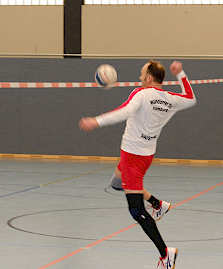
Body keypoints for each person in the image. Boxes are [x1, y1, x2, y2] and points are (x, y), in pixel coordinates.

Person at [79, 60, 196, 268]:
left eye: (142, 75)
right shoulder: (170, 99)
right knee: (116, 183)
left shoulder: (140, 94)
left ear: (149, 78)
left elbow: (125, 111)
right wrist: (181, 74)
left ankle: (165, 253)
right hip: (142, 155)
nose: (140, 78)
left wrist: (96, 121)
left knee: (136, 211)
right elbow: (191, 99)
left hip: (133, 156)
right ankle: (159, 204)